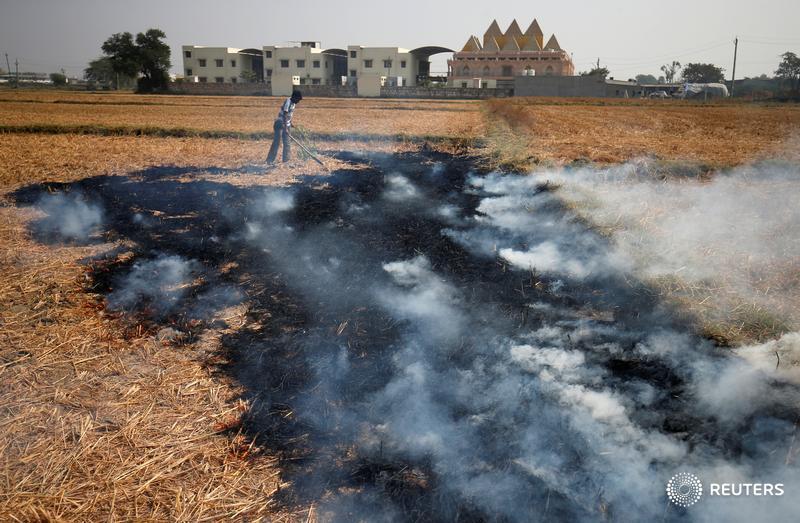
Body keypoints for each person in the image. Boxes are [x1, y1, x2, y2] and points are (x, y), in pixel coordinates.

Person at [266, 90, 302, 164]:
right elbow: (285, 114)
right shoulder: (288, 101)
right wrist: (285, 128)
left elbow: (289, 115)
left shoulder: (293, 104)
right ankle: (269, 160)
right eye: (298, 99)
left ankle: (286, 161)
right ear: (294, 97)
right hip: (280, 124)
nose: (298, 101)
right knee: (277, 142)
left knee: (287, 143)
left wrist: (290, 123)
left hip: (286, 124)